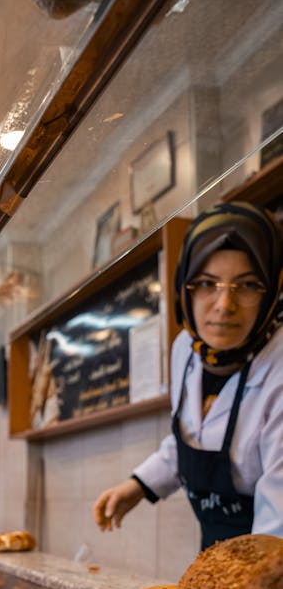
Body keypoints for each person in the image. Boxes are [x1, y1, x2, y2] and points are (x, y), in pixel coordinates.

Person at [93, 200, 283, 550]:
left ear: (271, 291)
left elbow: (279, 519)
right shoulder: (186, 347)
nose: (224, 305)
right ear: (185, 286)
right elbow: (191, 435)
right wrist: (139, 485)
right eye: (207, 283)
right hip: (213, 552)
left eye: (248, 284)